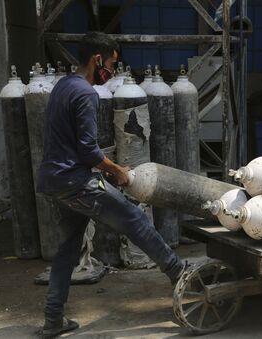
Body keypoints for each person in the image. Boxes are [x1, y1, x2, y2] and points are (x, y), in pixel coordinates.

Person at [36, 32, 186, 338]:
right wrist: (117, 170)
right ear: (97, 59)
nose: (112, 71)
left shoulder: (63, 85)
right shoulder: (86, 94)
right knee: (134, 219)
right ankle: (179, 273)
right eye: (111, 63)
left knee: (68, 248)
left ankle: (53, 319)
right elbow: (88, 151)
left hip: (54, 180)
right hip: (76, 182)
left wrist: (101, 169)